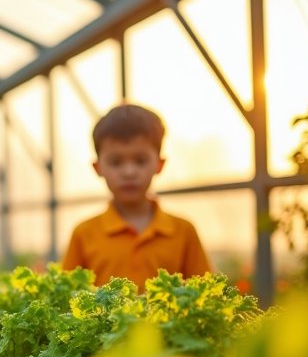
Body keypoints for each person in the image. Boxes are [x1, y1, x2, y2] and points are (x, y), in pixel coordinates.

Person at [62, 103, 211, 288]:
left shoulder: (184, 231)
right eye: (116, 162)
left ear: (160, 164)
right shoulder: (84, 234)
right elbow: (65, 298)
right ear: (98, 168)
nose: (129, 172)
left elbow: (206, 295)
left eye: (140, 161)